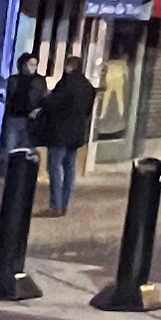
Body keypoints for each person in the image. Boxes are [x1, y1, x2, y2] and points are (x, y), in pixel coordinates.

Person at [37, 55, 102, 214]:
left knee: (54, 168)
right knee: (69, 169)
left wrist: (44, 99)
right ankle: (64, 203)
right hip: (77, 133)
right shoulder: (87, 87)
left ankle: (56, 205)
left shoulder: (66, 84)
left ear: (69, 67)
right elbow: (87, 112)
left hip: (60, 132)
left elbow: (53, 104)